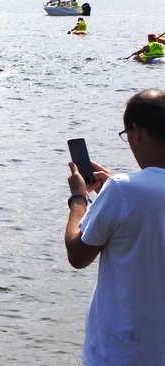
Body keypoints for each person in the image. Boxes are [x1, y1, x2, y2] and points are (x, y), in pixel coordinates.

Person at [63, 88, 165, 365]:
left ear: (138, 132)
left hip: (121, 351)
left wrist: (78, 199)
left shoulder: (123, 190)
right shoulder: (123, 191)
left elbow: (77, 254)